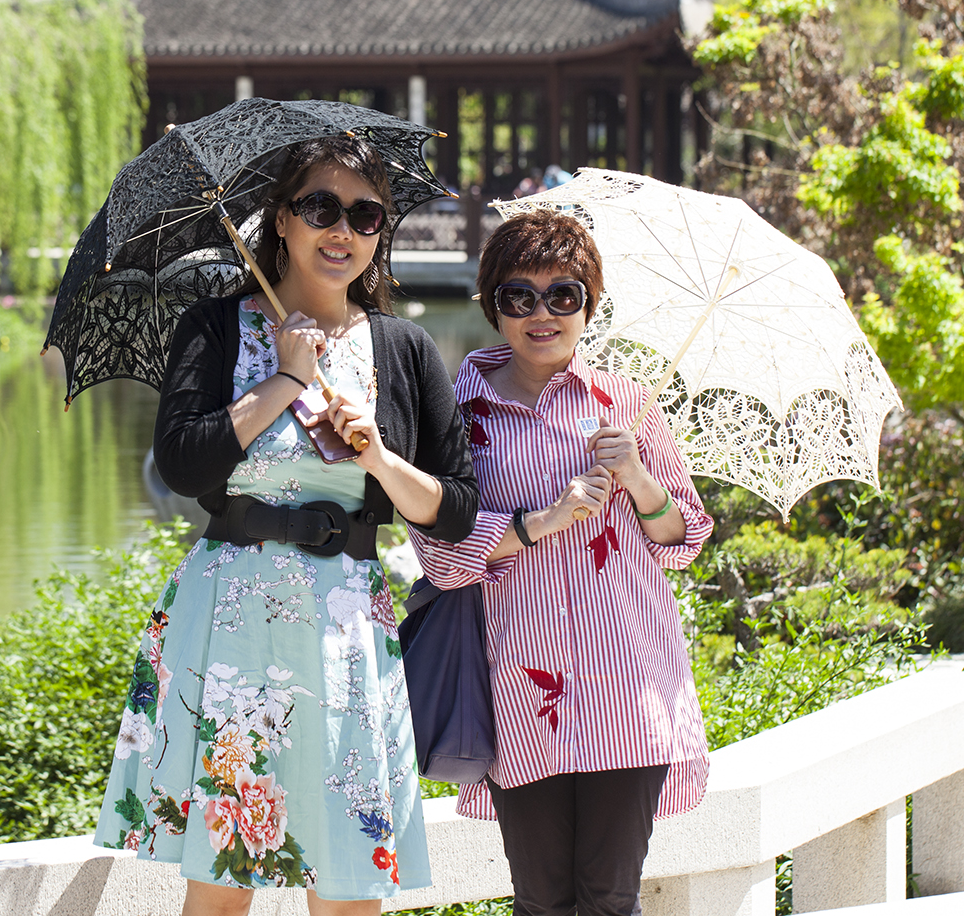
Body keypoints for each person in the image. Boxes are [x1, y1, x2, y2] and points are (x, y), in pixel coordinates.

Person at [94, 134, 479, 915]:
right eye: (320, 207)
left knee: (349, 871)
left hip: (344, 625)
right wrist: (285, 379)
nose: (343, 230)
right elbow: (183, 466)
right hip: (229, 620)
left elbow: (458, 506)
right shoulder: (215, 327)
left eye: (365, 214)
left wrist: (377, 456)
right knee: (222, 873)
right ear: (280, 220)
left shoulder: (400, 347)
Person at [410, 209, 714, 916]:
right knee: (541, 901)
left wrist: (639, 480)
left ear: (588, 304)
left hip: (628, 686)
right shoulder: (455, 417)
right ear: (490, 304)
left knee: (609, 899)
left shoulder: (629, 404)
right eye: (518, 295)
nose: (540, 313)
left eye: (562, 295)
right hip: (520, 688)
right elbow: (441, 555)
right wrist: (541, 522)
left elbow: (684, 538)